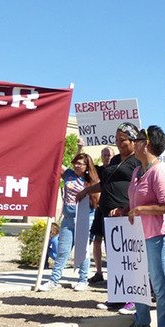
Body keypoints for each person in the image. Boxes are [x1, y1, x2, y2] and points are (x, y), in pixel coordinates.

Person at [117, 126, 165, 327]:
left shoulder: (160, 171)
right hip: (138, 235)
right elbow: (135, 201)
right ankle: (142, 322)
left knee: (158, 283)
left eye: (139, 139)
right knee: (138, 280)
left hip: (158, 236)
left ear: (148, 144)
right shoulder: (137, 171)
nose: (135, 142)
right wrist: (125, 210)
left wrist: (140, 210)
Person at [79, 122, 141, 309]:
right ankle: (115, 297)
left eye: (123, 140)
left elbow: (141, 189)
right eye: (116, 139)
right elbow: (105, 183)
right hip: (109, 216)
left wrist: (126, 207)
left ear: (132, 141)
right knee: (114, 259)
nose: (119, 143)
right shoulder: (114, 161)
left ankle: (132, 299)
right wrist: (87, 190)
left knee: (128, 259)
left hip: (127, 215)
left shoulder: (137, 162)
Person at [39, 153, 100, 292]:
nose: (77, 165)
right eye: (76, 163)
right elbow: (57, 162)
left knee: (82, 251)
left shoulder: (91, 180)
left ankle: (83, 280)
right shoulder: (68, 174)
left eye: (81, 164)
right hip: (68, 219)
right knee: (63, 251)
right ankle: (53, 280)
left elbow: (96, 200)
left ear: (86, 166)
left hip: (85, 219)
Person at [88, 145, 116, 284]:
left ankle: (113, 272)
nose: (107, 157)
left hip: (112, 210)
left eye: (109, 155)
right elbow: (86, 166)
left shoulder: (117, 170)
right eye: (104, 155)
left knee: (110, 243)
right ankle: (99, 272)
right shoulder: (98, 170)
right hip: (100, 209)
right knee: (97, 240)